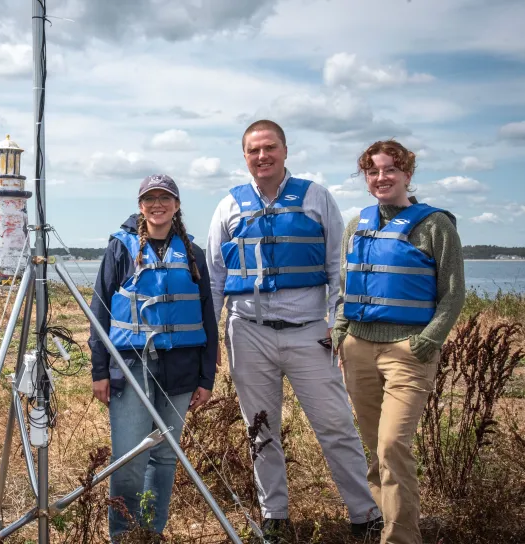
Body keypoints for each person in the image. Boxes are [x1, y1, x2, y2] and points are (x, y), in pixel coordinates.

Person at [207, 120, 382, 543]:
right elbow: (214, 276)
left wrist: (337, 327)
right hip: (247, 332)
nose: (262, 156)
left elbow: (339, 268)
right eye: (254, 150)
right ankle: (275, 516)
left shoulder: (316, 197)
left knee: (336, 424)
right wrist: (212, 338)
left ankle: (365, 513)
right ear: (244, 156)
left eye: (270, 148)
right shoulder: (229, 205)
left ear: (285, 151)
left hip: (309, 333)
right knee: (261, 430)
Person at [333, 140, 464, 544]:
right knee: (375, 449)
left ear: (407, 173)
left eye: (390, 169)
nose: (381, 178)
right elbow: (345, 287)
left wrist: (427, 342)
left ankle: (402, 539)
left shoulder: (434, 225)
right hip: (358, 349)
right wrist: (340, 333)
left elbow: (453, 293)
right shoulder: (357, 224)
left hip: (408, 352)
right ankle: (387, 527)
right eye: (372, 171)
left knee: (393, 446)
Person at [88, 174, 217, 540]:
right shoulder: (120, 248)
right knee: (129, 458)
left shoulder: (193, 254)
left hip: (181, 369)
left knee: (164, 457)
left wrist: (206, 377)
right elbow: (99, 312)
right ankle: (124, 536)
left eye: (165, 198)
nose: (157, 204)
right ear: (140, 205)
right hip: (131, 368)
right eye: (149, 199)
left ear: (176, 205)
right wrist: (100, 370)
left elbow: (207, 316)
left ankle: (151, 533)